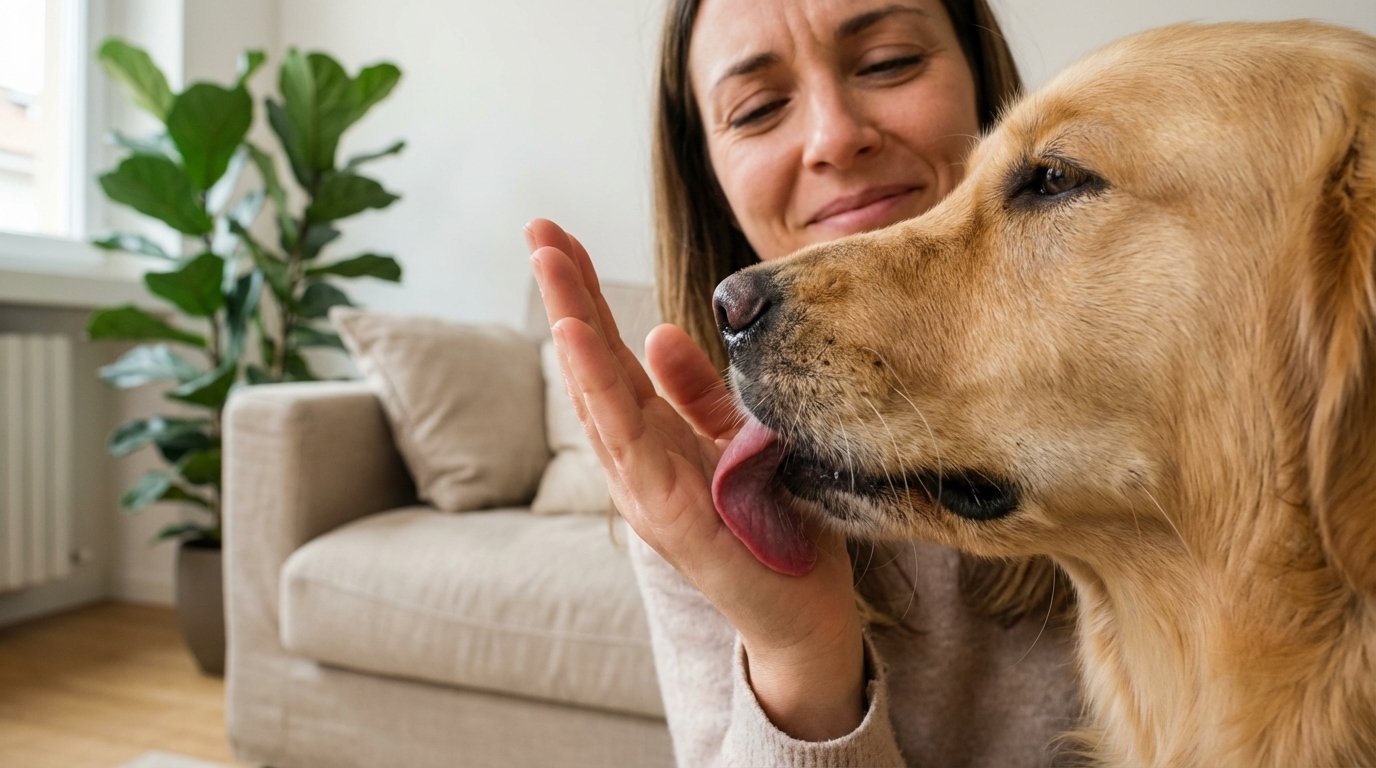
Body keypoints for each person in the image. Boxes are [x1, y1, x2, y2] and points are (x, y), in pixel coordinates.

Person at [527, 0, 1081, 764]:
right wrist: (797, 657)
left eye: (888, 63)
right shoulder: (707, 478)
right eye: (756, 110)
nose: (834, 137)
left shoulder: (1138, 362)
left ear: (982, 78)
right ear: (709, 173)